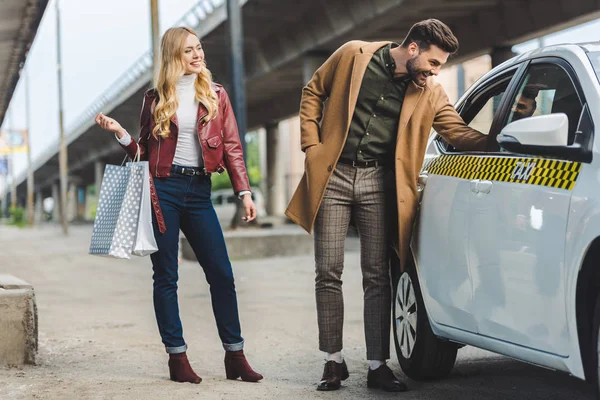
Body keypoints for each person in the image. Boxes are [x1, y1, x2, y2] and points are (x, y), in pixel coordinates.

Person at [285, 19, 487, 392]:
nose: (434, 71)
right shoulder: (353, 55)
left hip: (380, 184)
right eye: (433, 62)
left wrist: (498, 143)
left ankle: (378, 365)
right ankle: (333, 361)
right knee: (327, 271)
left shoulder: (429, 91)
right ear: (413, 49)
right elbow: (313, 90)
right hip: (333, 176)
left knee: (377, 275)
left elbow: (456, 131)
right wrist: (311, 148)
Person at [95, 26, 262, 385]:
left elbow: (232, 146)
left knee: (222, 273)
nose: (198, 55)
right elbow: (143, 152)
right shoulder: (154, 98)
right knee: (166, 275)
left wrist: (244, 192)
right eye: (189, 51)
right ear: (174, 56)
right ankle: (177, 357)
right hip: (163, 190)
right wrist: (120, 134)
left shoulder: (216, 95)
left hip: (200, 192)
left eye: (199, 48)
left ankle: (235, 355)